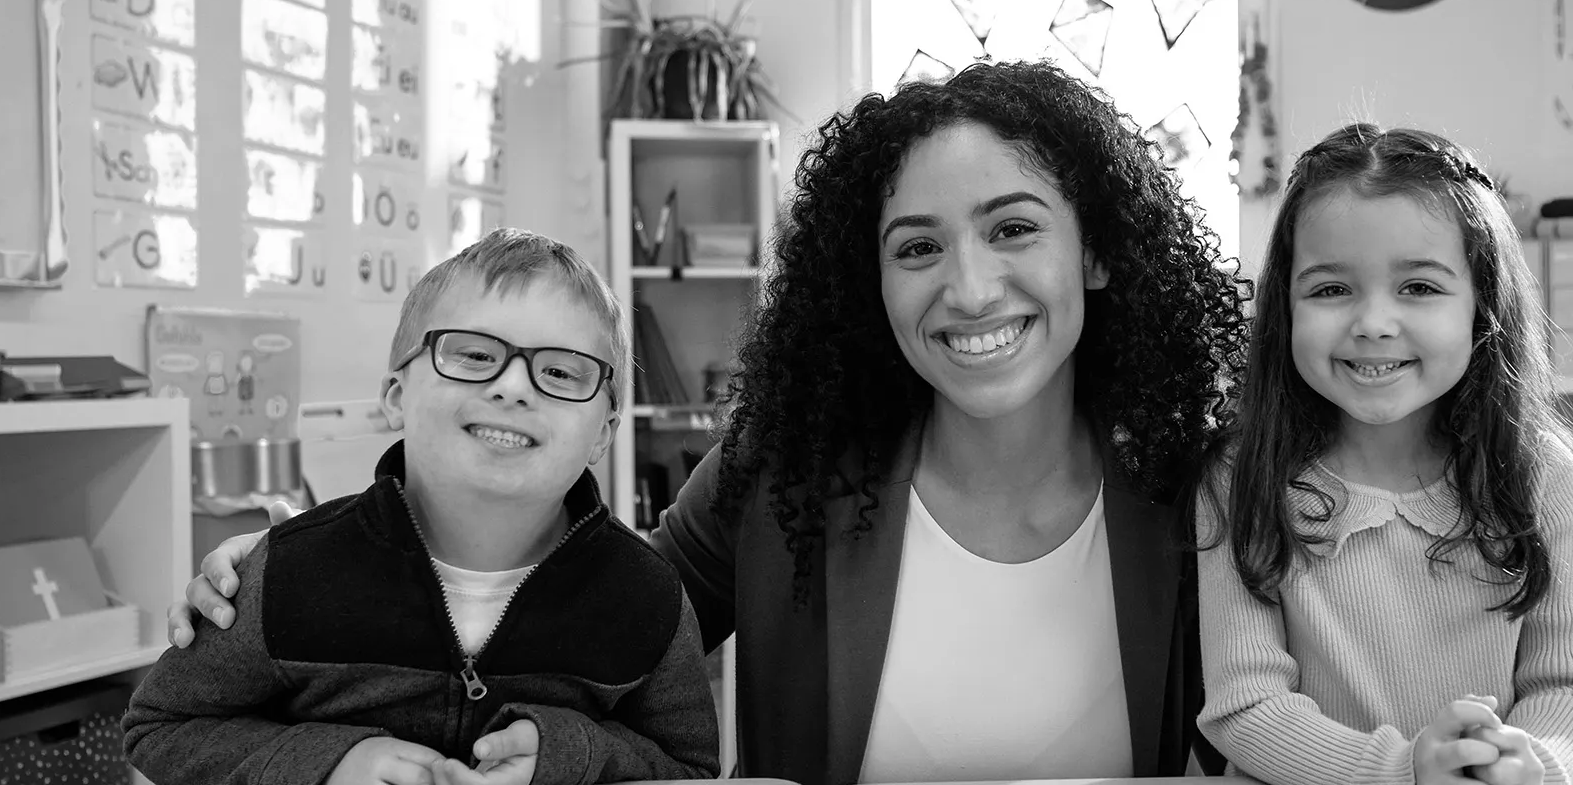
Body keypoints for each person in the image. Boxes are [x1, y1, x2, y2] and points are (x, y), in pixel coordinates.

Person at [173, 60, 1251, 784]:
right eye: (916, 246)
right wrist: (329, 557)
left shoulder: (1191, 485)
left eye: (1012, 228)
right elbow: (581, 626)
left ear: (1097, 252)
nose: (967, 289)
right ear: (864, 281)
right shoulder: (781, 466)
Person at [124, 228, 720, 785]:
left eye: (561, 372)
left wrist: (570, 755)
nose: (513, 386)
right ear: (395, 397)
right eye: (473, 356)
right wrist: (331, 764)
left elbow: (686, 764)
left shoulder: (647, 597)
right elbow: (159, 726)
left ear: (603, 433)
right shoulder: (283, 573)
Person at [1191, 123, 1572, 785]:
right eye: (1331, 289)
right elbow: (1246, 706)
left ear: (1482, 306)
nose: (1372, 322)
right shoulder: (1239, 477)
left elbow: (1562, 685)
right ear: (1286, 308)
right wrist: (1403, 771)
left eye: (1419, 288)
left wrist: (1523, 763)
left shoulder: (1546, 477)